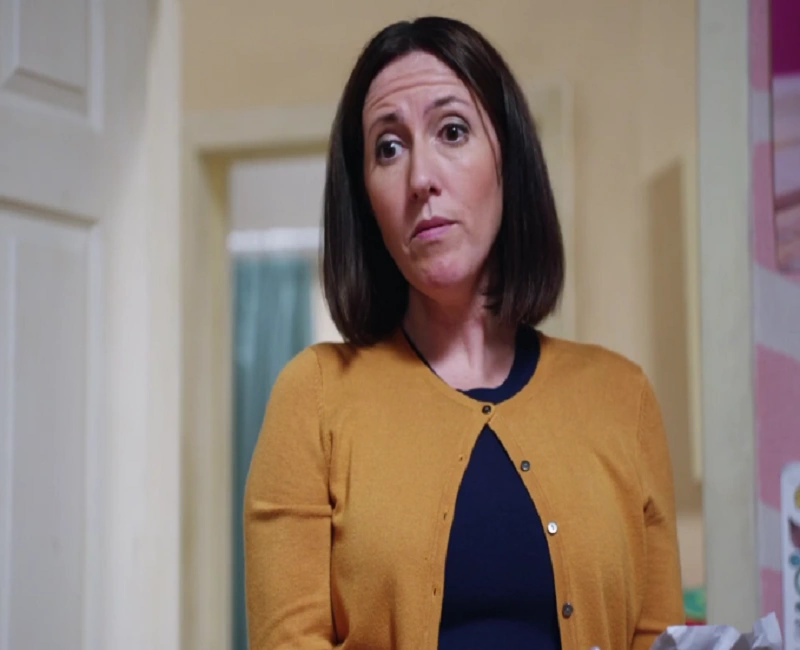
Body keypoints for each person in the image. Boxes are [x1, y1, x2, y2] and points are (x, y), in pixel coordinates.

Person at [244, 15, 684, 650]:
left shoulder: (623, 398)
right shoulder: (313, 398)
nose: (420, 177)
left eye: (452, 131)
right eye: (387, 148)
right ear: (365, 199)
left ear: (509, 159)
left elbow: (658, 636)